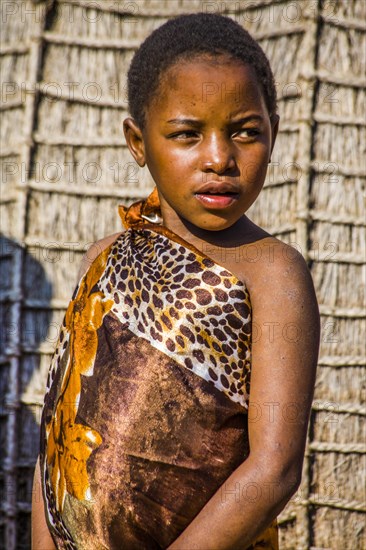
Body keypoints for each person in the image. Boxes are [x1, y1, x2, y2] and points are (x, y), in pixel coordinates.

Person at [31, 13, 320, 549]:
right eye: (188, 134)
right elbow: (58, 428)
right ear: (138, 143)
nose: (219, 158)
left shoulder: (273, 273)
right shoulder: (104, 259)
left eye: (245, 132)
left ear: (274, 134)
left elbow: (274, 469)